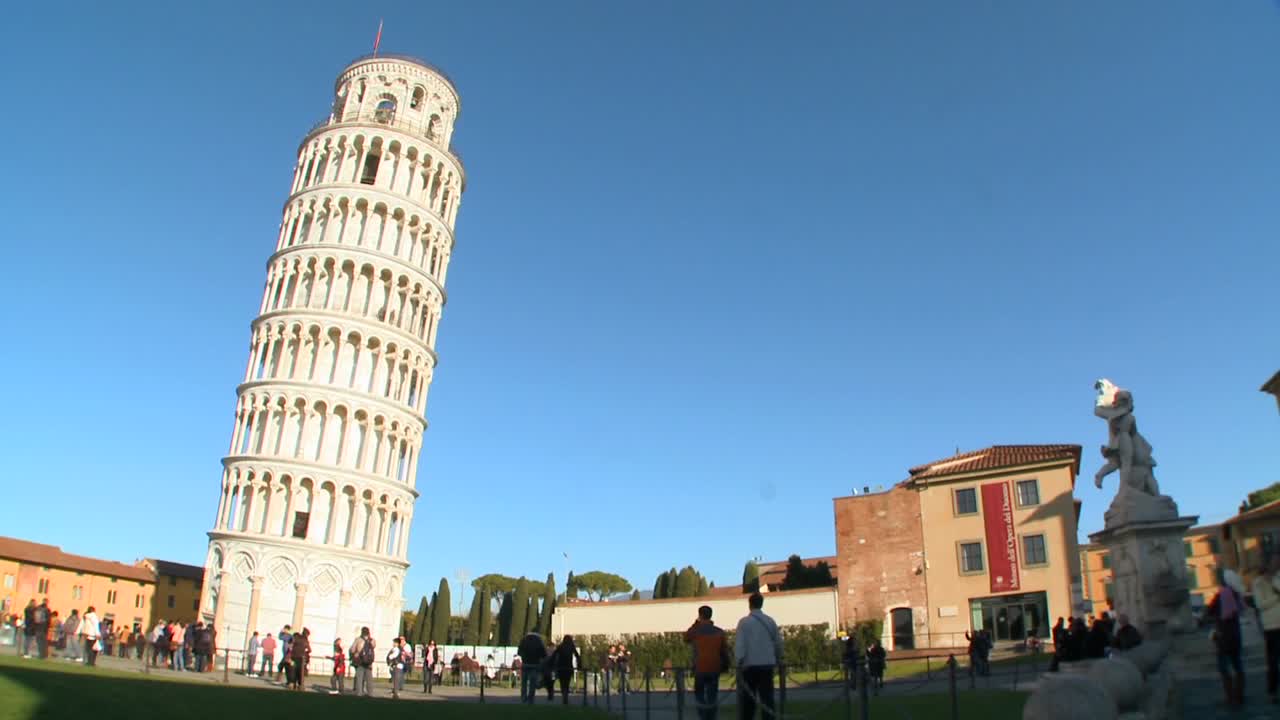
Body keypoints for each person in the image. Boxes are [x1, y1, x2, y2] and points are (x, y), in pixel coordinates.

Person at [734, 592, 783, 720]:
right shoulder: (770, 621)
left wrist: (738, 662)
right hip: (767, 664)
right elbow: (778, 642)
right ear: (762, 604)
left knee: (748, 701)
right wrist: (779, 658)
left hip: (749, 666)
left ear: (749, 604)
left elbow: (740, 644)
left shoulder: (744, 622)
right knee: (767, 699)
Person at [1205, 568, 1246, 707]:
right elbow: (1240, 610)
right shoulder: (1236, 594)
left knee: (1224, 668)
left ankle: (1231, 697)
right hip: (1235, 635)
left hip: (1223, 636)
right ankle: (1239, 695)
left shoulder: (1222, 595)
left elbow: (1209, 610)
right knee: (1238, 666)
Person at [685, 606, 728, 720]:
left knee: (699, 694)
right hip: (714, 667)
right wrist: (725, 665)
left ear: (700, 615)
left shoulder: (695, 631)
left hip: (700, 667)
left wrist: (695, 624)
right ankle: (711, 716)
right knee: (712, 695)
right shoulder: (719, 632)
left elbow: (686, 637)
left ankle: (703, 715)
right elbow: (724, 651)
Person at [1252, 555, 1280, 705]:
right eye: (1274, 562)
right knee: (1273, 661)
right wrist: (1276, 598)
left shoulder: (1278, 578)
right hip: (1271, 627)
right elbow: (1260, 604)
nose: (1277, 564)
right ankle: (1272, 691)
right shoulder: (1258, 583)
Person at [517, 631, 548, 704]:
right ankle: (531, 699)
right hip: (535, 664)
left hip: (525, 664)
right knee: (532, 684)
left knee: (524, 683)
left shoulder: (524, 640)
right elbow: (544, 654)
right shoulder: (539, 641)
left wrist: (524, 657)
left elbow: (519, 652)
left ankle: (523, 698)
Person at [549, 638, 580, 703]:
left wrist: (551, 664)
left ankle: (564, 694)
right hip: (568, 667)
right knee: (567, 682)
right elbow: (577, 656)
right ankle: (565, 695)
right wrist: (579, 665)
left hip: (561, 667)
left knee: (562, 682)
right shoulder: (571, 647)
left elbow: (554, 655)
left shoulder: (560, 647)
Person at [350, 626, 375, 697]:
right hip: (369, 663)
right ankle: (370, 693)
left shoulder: (358, 640)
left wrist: (355, 653)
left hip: (360, 662)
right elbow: (373, 647)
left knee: (359, 678)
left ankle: (359, 693)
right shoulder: (372, 640)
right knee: (369, 679)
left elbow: (352, 649)